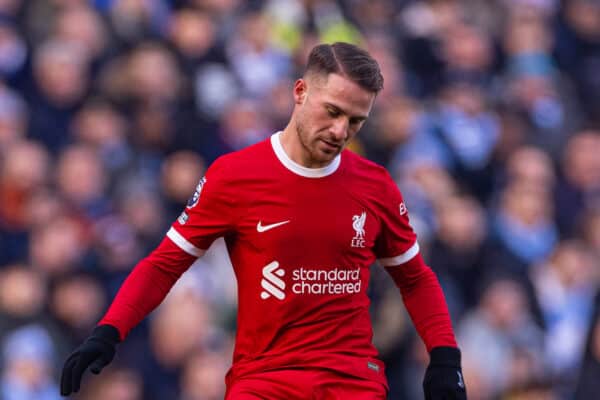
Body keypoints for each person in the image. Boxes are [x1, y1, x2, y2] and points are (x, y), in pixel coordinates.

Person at [60, 42, 467, 400]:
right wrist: (109, 331)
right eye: (332, 111)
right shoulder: (235, 176)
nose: (341, 130)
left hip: (351, 383)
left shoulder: (374, 184)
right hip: (264, 381)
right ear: (300, 91)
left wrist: (445, 355)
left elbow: (414, 278)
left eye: (356, 121)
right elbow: (166, 263)